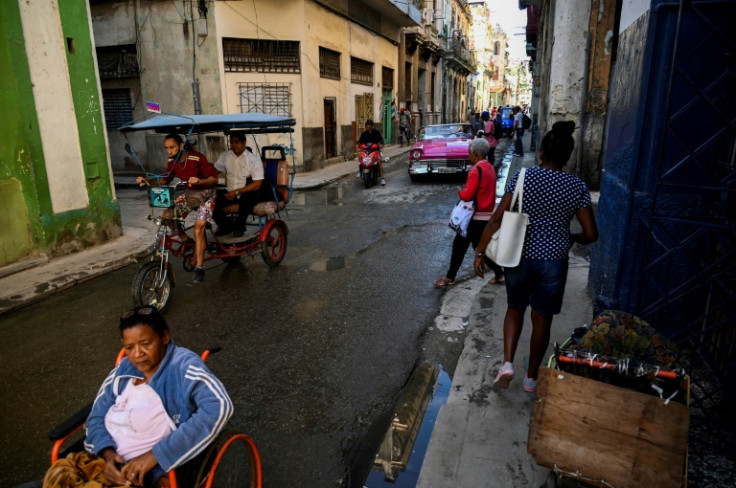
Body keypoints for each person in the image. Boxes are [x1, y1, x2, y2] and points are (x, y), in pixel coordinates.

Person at [473, 121, 598, 392]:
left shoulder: (523, 177)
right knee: (542, 318)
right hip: (553, 260)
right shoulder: (576, 186)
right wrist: (570, 238)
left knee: (515, 308)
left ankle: (507, 364)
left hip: (519, 255)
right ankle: (531, 378)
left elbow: (497, 218)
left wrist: (480, 251)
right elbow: (591, 234)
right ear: (567, 155)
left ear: (542, 151)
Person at [48, 306, 233, 487]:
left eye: (146, 344)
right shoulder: (124, 369)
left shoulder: (182, 366)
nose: (137, 354)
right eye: (129, 347)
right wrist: (107, 454)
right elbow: (96, 415)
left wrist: (155, 456)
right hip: (104, 460)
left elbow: (219, 406)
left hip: (144, 472)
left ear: (164, 337)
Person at [136, 134, 218, 282]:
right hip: (189, 195)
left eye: (172, 147)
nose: (169, 151)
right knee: (167, 214)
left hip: (207, 195)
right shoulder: (172, 162)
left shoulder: (196, 158)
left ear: (181, 146)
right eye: (166, 148)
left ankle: (199, 267)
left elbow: (214, 179)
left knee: (198, 228)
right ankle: (186, 240)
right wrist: (146, 180)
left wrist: (199, 180)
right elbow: (164, 179)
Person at [433, 138, 505, 288]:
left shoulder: (476, 169)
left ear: (475, 154)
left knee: (460, 246)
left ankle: (450, 277)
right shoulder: (489, 167)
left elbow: (468, 195)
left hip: (474, 217)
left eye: (469, 153)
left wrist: (461, 192)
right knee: (480, 247)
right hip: (485, 215)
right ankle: (500, 274)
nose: (468, 156)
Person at [212, 133, 271, 238]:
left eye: (236, 142)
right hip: (230, 192)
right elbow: (214, 170)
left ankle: (240, 227)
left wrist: (237, 192)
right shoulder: (225, 156)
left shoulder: (254, 160)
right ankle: (225, 226)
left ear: (244, 143)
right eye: (231, 142)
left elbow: (257, 184)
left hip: (248, 193)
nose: (233, 145)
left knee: (247, 198)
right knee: (212, 203)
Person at [357, 119, 386, 185]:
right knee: (360, 157)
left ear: (372, 125)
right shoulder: (364, 133)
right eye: (367, 125)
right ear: (366, 126)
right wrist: (359, 145)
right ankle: (360, 171)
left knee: (379, 161)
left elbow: (381, 141)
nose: (369, 126)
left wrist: (380, 144)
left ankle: (382, 178)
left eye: (370, 125)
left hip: (375, 151)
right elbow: (360, 142)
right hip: (366, 151)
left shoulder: (376, 132)